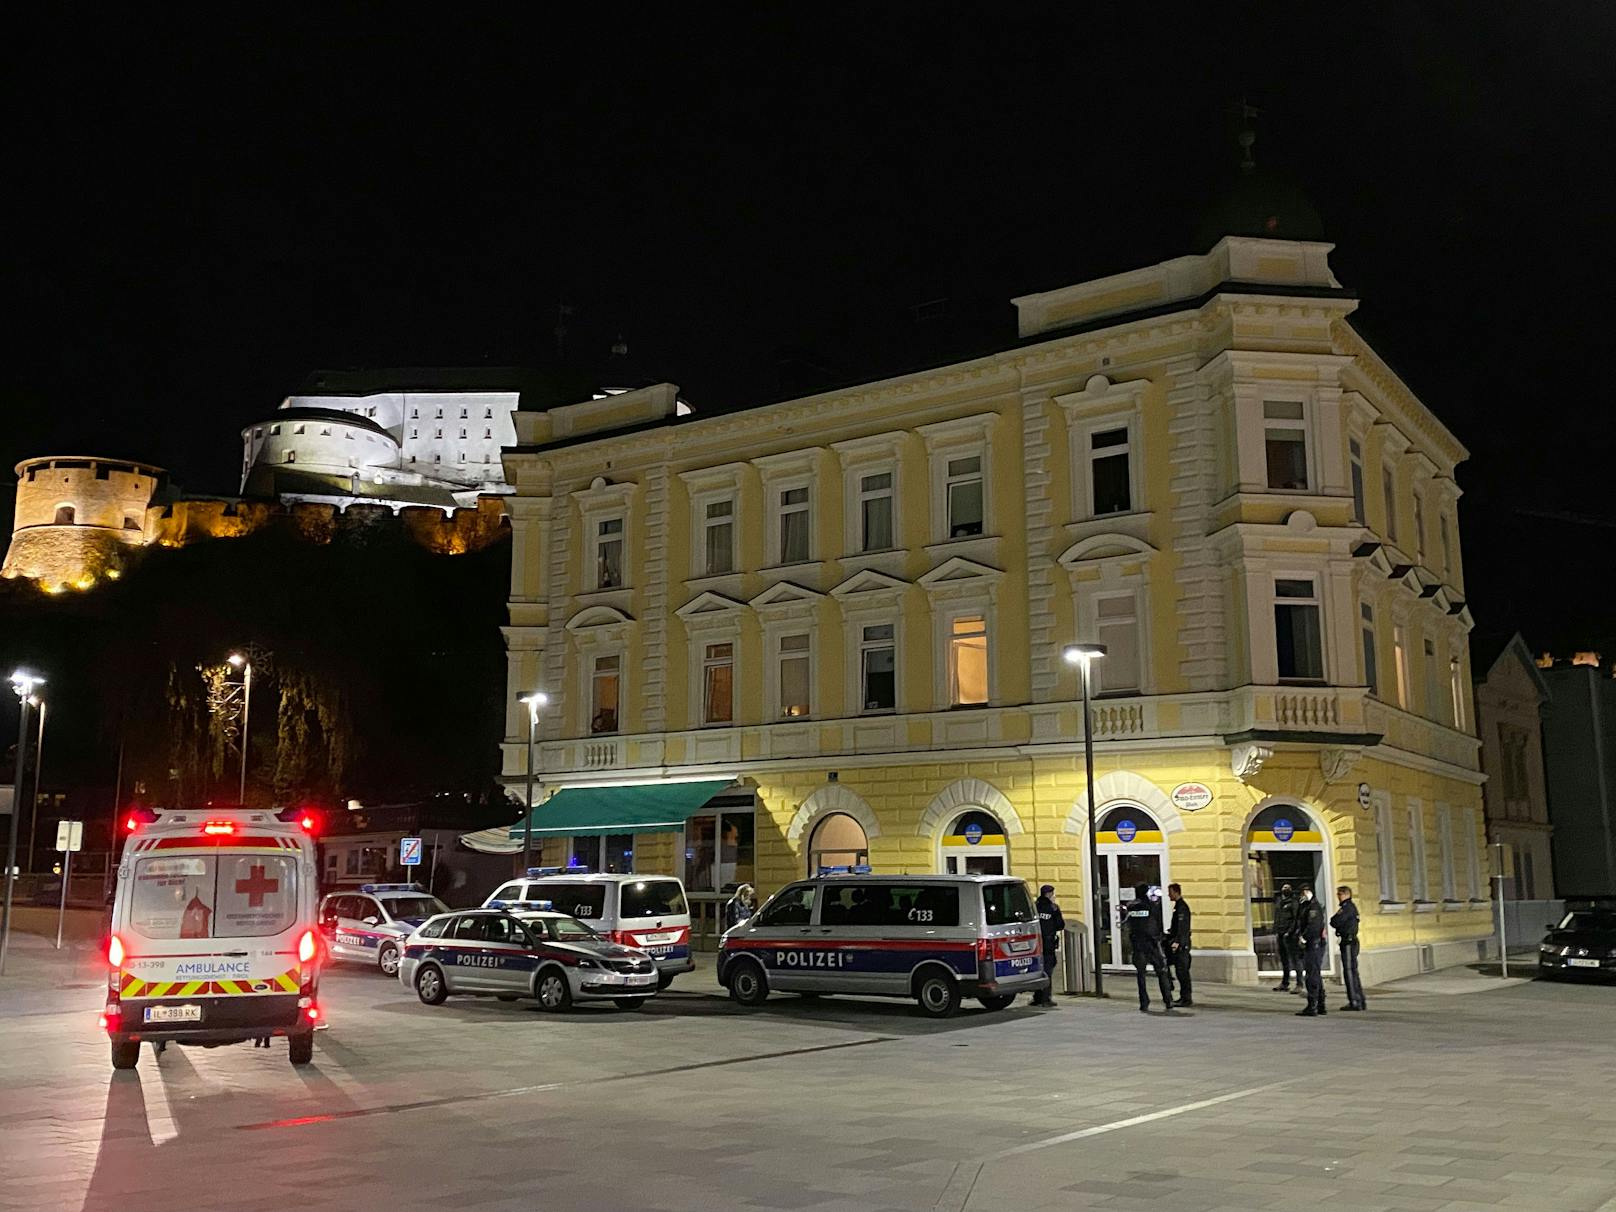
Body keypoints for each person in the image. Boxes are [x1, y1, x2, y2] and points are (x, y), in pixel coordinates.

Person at [1123, 883, 1174, 1012]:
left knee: (1141, 975)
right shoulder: (1151, 906)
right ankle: (1167, 1000)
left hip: (1138, 945)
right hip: (1151, 944)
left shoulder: (1131, 907)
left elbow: (1128, 925)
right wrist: (1160, 939)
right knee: (1161, 972)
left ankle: (1144, 1002)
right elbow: (1155, 925)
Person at [1295, 885, 1328, 1017]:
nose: (1301, 896)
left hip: (1313, 944)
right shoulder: (1306, 906)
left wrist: (1304, 937)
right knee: (1315, 974)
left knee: (1312, 975)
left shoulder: (1313, 907)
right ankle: (1320, 1004)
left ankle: (1313, 1005)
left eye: (1303, 893)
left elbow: (1313, 926)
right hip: (1313, 943)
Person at [1331, 885, 1365, 1011]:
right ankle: (1360, 1000)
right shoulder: (1351, 907)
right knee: (1353, 971)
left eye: (1339, 894)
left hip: (1348, 942)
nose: (1338, 897)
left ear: (1345, 894)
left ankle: (1354, 1001)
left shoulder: (1346, 908)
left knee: (1349, 971)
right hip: (1351, 941)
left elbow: (1334, 921)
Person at [1033, 884, 1064, 1006]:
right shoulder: (1053, 908)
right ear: (1050, 894)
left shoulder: (1035, 907)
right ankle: (1046, 998)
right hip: (1048, 943)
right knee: (1048, 970)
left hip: (1036, 944)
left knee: (1038, 970)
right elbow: (1060, 925)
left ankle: (1037, 997)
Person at [1165, 883, 1193, 1007]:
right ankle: (1184, 997)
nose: (1168, 895)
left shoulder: (1181, 907)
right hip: (1181, 943)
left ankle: (1186, 998)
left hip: (1182, 945)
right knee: (1180, 971)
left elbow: (1183, 927)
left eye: (1170, 892)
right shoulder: (1179, 906)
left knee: (1182, 973)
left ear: (1176, 892)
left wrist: (1177, 941)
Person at [1272, 883, 1303, 993]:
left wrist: (1290, 932)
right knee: (1284, 960)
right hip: (1280, 933)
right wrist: (1275, 930)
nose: (1286, 889)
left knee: (1295, 959)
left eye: (1288, 887)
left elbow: (1296, 919)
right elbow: (1277, 917)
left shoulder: (1293, 902)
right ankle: (1285, 983)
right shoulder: (1279, 901)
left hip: (1290, 935)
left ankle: (1300, 983)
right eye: (1284, 887)